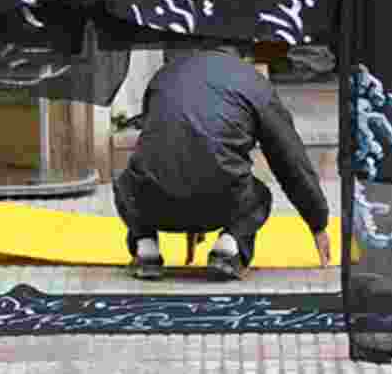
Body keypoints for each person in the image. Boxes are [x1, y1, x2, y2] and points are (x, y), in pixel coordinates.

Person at [113, 42, 331, 280]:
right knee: (259, 197)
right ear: (244, 56)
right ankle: (228, 248)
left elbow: (164, 143)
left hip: (154, 202)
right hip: (222, 202)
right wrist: (317, 222)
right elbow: (289, 157)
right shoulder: (253, 82)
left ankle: (147, 249)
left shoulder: (165, 74)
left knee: (127, 183)